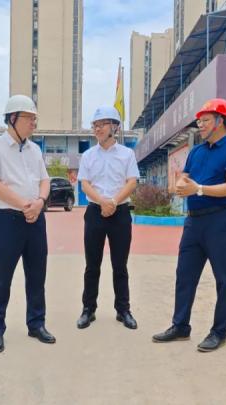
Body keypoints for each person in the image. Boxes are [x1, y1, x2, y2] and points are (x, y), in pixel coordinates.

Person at [152, 98, 226, 352]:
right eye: (199, 121)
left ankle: (219, 332)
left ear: (220, 121)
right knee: (184, 275)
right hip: (193, 223)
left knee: (224, 279)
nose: (200, 125)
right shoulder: (196, 151)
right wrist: (181, 184)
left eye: (205, 120)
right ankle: (180, 326)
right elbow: (184, 179)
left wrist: (199, 189)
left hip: (219, 221)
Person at [0, 95, 54, 353]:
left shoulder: (35, 150)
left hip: (36, 220)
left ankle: (36, 323)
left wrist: (40, 202)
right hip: (7, 221)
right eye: (29, 118)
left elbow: (45, 180)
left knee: (37, 275)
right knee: (2, 277)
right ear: (13, 118)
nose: (34, 123)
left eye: (35, 119)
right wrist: (25, 205)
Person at [76, 106, 140, 330]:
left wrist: (113, 202)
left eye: (102, 124)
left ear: (115, 127)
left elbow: (131, 182)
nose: (97, 129)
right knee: (92, 265)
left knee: (120, 265)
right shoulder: (88, 155)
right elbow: (85, 184)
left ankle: (123, 310)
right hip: (95, 212)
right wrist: (102, 202)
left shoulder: (127, 154)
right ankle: (88, 309)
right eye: (95, 125)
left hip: (120, 213)